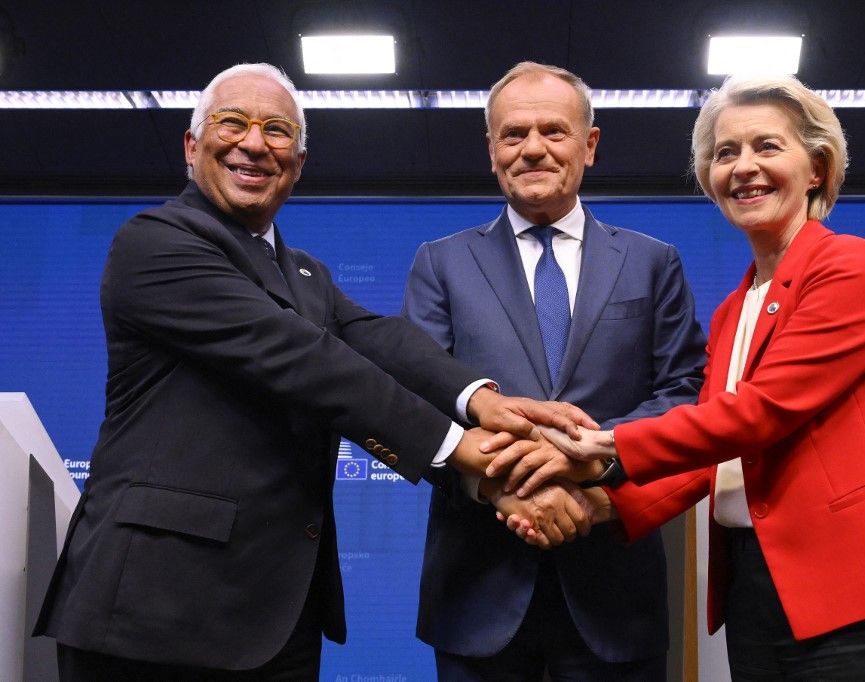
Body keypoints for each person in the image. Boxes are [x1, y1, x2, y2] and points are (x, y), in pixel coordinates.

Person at [32, 62, 594, 681]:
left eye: (278, 131)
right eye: (232, 122)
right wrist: (474, 457)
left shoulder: (303, 273)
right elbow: (309, 363)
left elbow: (379, 341)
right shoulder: (157, 243)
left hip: (276, 619)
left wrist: (484, 401)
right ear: (192, 147)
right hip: (154, 615)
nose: (253, 142)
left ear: (297, 164)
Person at [495, 74, 865, 680]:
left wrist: (601, 446)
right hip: (759, 593)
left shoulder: (850, 265)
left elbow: (762, 413)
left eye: (767, 147)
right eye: (725, 153)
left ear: (818, 168)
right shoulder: (732, 311)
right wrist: (596, 507)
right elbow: (711, 459)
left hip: (864, 594)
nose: (744, 167)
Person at [402, 61, 706, 681]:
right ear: (492, 152)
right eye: (513, 135)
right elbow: (416, 400)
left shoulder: (653, 263)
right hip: (476, 593)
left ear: (589, 145)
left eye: (554, 132)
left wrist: (590, 460)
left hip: (617, 596)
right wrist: (509, 483)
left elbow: (684, 393)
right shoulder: (439, 264)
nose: (533, 148)